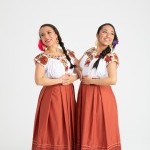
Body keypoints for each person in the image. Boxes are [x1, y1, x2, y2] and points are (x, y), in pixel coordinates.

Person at [32, 24, 78, 150]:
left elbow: (80, 69)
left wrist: (74, 78)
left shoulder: (68, 53)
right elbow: (38, 80)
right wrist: (59, 80)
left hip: (68, 94)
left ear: (56, 34)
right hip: (52, 96)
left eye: (49, 32)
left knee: (68, 125)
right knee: (55, 126)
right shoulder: (43, 58)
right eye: (42, 35)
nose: (46, 36)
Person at [76, 23, 121, 150]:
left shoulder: (111, 56)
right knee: (86, 126)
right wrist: (77, 71)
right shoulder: (89, 51)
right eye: (105, 32)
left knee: (99, 127)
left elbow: (112, 80)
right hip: (85, 94)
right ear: (97, 34)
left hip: (101, 95)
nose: (108, 35)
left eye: (112, 33)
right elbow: (78, 66)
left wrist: (92, 81)